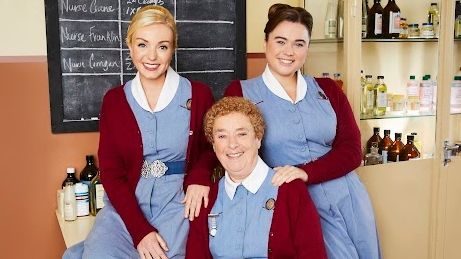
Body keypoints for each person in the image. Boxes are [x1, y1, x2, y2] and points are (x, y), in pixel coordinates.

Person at [224, 4, 381, 259]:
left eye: (299, 43)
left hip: (349, 198)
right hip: (293, 202)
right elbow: (234, 154)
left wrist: (306, 172)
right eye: (281, 41)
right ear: (266, 42)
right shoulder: (241, 93)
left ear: (307, 48)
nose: (289, 51)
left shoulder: (328, 89)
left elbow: (352, 151)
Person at [63, 5, 215, 259]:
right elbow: (111, 173)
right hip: (126, 206)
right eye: (143, 44)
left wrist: (200, 175)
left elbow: (213, 146)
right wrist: (140, 231)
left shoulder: (198, 95)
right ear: (130, 45)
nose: (152, 56)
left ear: (172, 49)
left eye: (162, 46)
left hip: (178, 203)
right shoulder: (114, 101)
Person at [186, 97, 327, 258]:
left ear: (258, 138)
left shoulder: (290, 189)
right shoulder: (205, 199)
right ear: (213, 145)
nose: (232, 144)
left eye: (242, 134)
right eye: (222, 136)